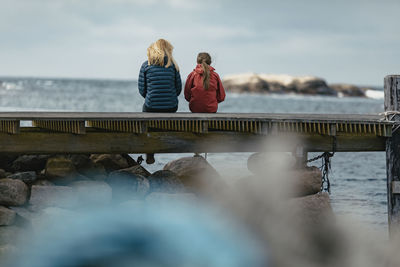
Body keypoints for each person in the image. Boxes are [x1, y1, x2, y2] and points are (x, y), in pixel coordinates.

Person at [138, 39, 182, 164]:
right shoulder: (173, 66)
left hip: (151, 106)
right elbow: (178, 90)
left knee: (146, 114)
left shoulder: (146, 65)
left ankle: (150, 154)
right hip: (171, 106)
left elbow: (142, 91)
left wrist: (153, 96)